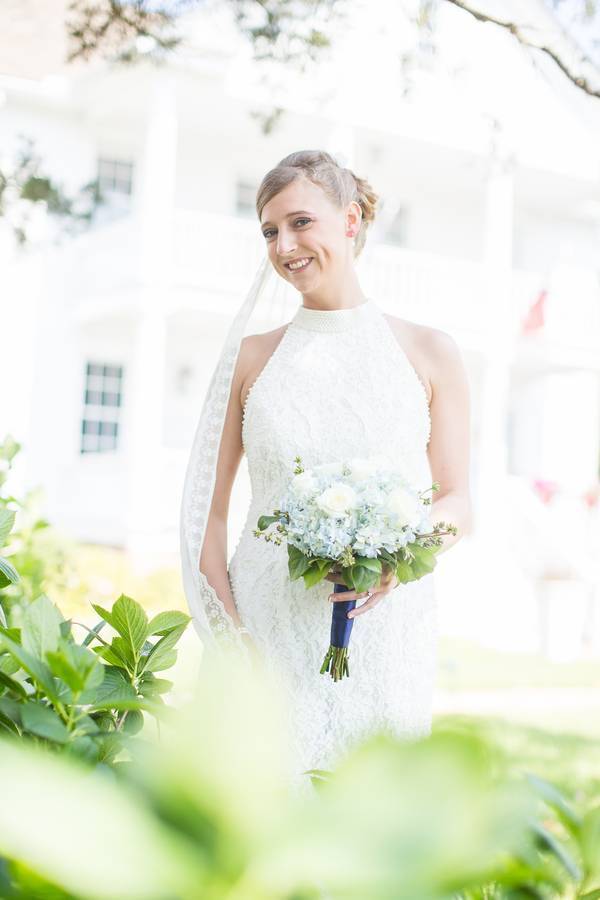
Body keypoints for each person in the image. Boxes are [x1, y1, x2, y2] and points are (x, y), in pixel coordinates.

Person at [180, 149, 472, 794]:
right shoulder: (251, 360)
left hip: (384, 631)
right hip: (265, 628)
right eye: (269, 231)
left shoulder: (430, 352)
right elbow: (209, 512)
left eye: (300, 222)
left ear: (352, 218)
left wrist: (405, 550)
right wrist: (233, 641)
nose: (284, 245)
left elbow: (457, 500)